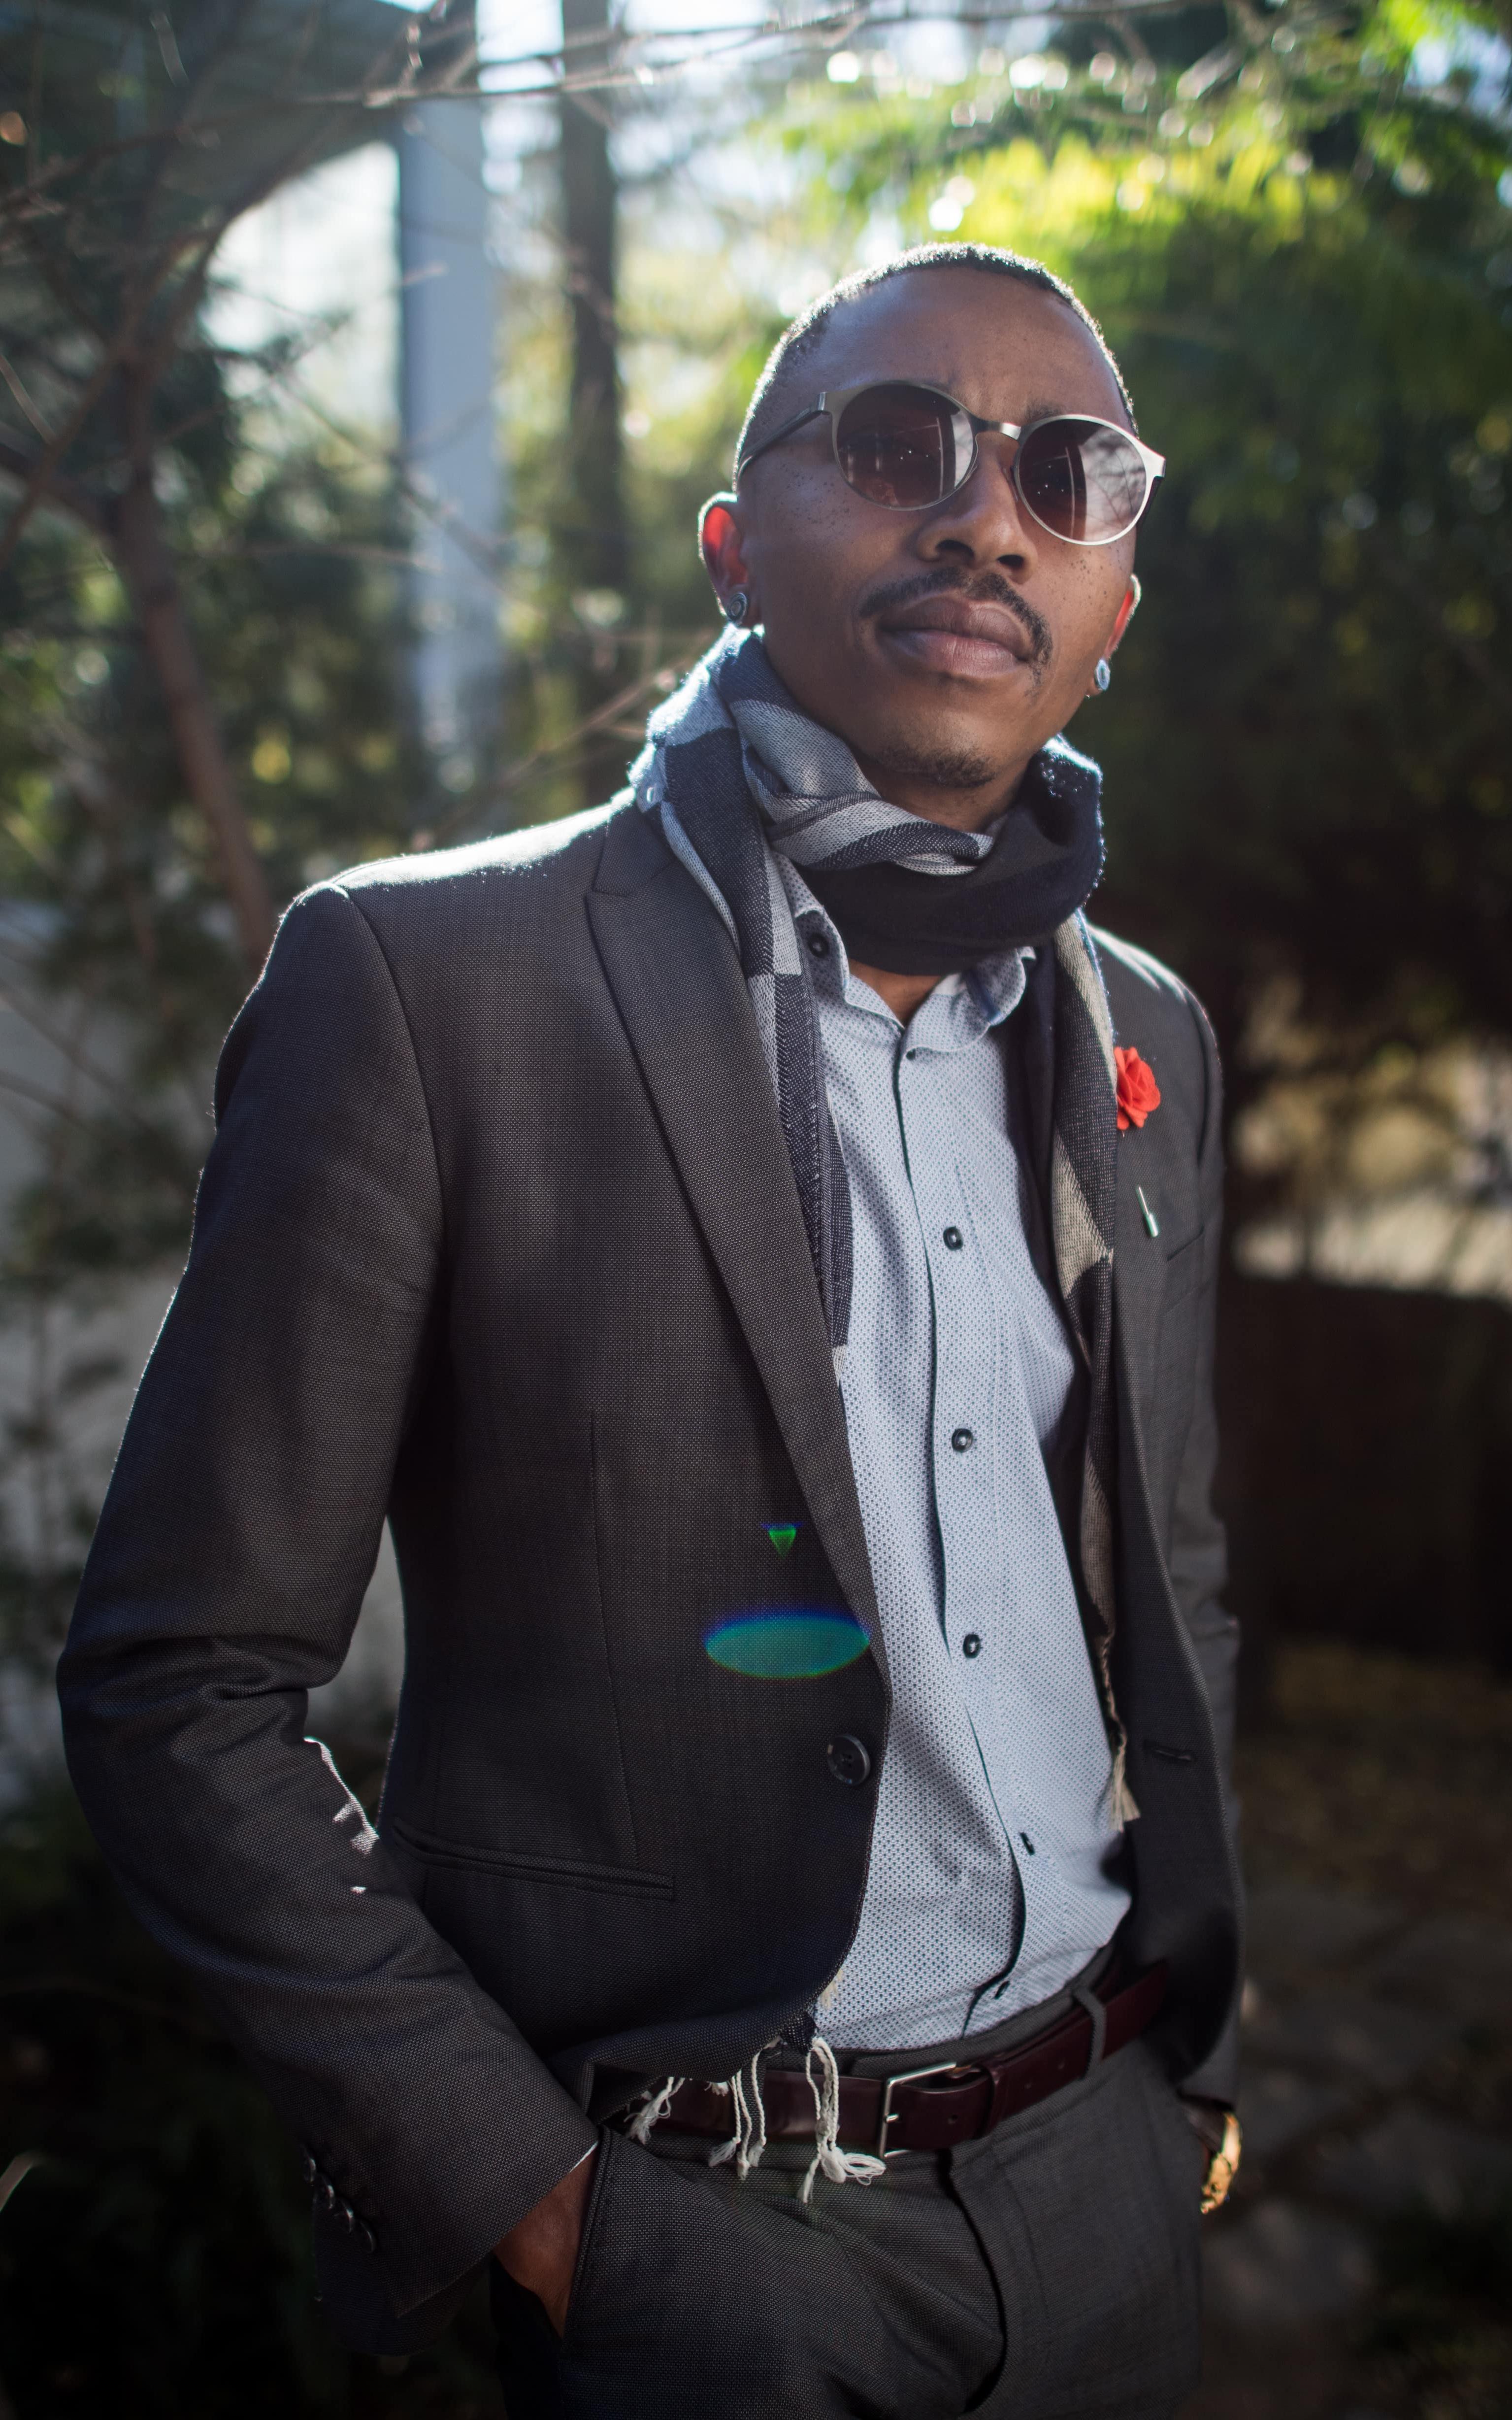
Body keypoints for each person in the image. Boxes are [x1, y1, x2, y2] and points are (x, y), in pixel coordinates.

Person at [58, 243, 1242, 2419]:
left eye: (1068, 474)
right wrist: (536, 2201)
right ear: (733, 543)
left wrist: (1191, 2069)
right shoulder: (428, 986)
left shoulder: (1140, 1029)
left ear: (1111, 615)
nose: (989, 513)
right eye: (902, 447)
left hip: (1108, 2188)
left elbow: (1170, 1575)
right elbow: (179, 1680)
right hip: (702, 2256)